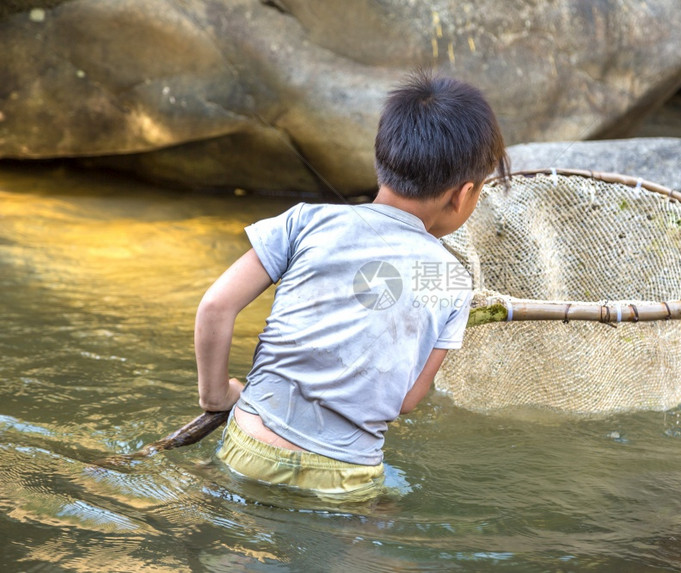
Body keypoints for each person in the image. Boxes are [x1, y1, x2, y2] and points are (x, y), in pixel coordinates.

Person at [194, 70, 509, 499]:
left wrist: (217, 396)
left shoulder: (306, 221)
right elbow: (406, 402)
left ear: (383, 156)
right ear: (463, 194)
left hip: (251, 444)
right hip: (345, 476)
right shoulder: (451, 279)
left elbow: (215, 306)